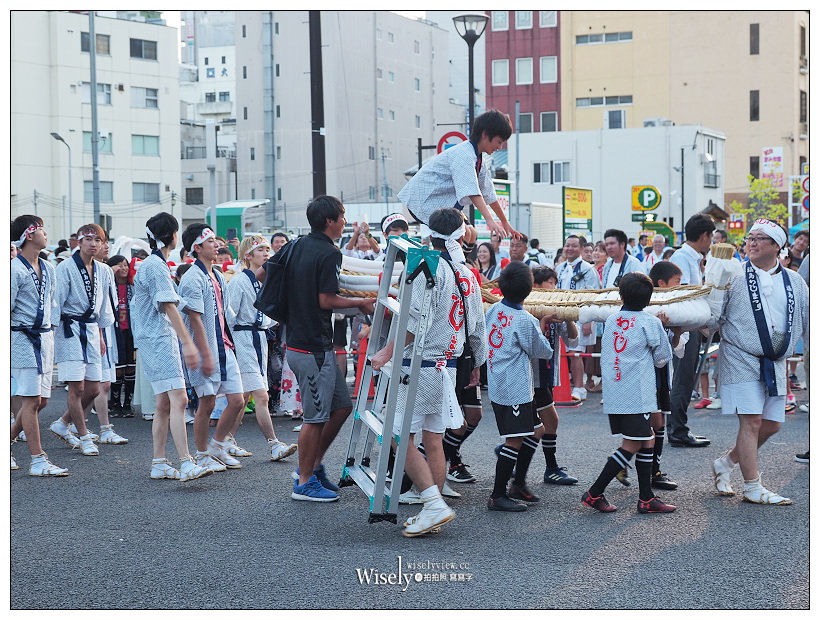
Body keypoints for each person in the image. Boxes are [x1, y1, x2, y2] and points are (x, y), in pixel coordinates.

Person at [372, 207, 486, 535]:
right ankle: (432, 510)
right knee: (433, 440)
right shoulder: (466, 274)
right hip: (448, 366)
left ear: (427, 233)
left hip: (420, 365)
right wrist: (477, 365)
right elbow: (476, 326)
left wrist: (385, 352)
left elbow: (414, 321)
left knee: (398, 435)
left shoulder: (426, 265)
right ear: (462, 236)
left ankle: (433, 504)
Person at [711, 219, 809, 504]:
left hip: (776, 359)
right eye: (749, 238)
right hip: (739, 354)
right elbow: (711, 315)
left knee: (772, 425)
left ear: (777, 246)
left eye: (759, 238)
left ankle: (726, 463)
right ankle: (753, 486)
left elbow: (807, 320)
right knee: (752, 421)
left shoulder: (795, 280)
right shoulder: (734, 275)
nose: (751, 243)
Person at [285, 196, 375, 502]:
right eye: (342, 217)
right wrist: (361, 302)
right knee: (314, 418)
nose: (345, 222)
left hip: (309, 342)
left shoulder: (296, 245)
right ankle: (304, 480)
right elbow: (327, 301)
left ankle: (312, 466)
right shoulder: (327, 253)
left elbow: (265, 273)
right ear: (329, 222)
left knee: (341, 407)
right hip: (309, 347)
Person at [582, 272, 675, 514]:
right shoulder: (650, 322)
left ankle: (646, 498)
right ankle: (595, 492)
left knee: (647, 440)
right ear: (649, 298)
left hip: (615, 390)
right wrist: (665, 330)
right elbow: (663, 359)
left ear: (621, 294)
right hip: (637, 392)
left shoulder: (611, 320)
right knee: (632, 444)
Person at [127, 213, 211, 481]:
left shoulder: (155, 264)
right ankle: (185, 462)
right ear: (173, 235)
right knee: (179, 399)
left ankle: (160, 462)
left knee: (164, 402)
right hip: (158, 339)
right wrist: (188, 341)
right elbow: (168, 304)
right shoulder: (156, 265)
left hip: (156, 338)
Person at [484, 262, 554, 511]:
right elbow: (542, 351)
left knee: (536, 430)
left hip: (499, 380)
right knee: (514, 440)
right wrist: (543, 326)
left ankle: (518, 483)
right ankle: (497, 495)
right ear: (528, 292)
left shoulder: (493, 310)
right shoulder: (524, 319)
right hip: (513, 386)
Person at [178, 222, 247, 474]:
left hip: (224, 345)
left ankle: (217, 445)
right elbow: (195, 317)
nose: (216, 245)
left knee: (238, 400)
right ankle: (202, 453)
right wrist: (204, 353)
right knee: (206, 402)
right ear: (196, 248)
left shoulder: (217, 274)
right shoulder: (192, 277)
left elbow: (225, 313)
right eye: (209, 242)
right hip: (204, 347)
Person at [397, 109, 519, 248]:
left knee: (471, 233)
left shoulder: (478, 158)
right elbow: (472, 191)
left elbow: (489, 193)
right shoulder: (464, 154)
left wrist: (504, 222)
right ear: (485, 135)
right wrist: (489, 220)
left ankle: (459, 265)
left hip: (439, 204)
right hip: (424, 202)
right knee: (462, 234)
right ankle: (451, 265)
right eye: (499, 141)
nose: (499, 147)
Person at [226, 234, 298, 461]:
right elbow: (229, 315)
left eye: (267, 250)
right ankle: (273, 443)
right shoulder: (238, 281)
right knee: (261, 396)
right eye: (260, 250)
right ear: (248, 256)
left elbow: (269, 314)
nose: (266, 254)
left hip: (259, 339)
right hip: (244, 338)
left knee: (245, 395)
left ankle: (226, 439)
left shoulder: (263, 281)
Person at [49, 224, 114, 457]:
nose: (93, 244)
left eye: (98, 240)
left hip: (92, 329)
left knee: (95, 387)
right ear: (78, 241)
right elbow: (56, 303)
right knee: (76, 386)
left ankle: (63, 423)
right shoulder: (65, 268)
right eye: (88, 239)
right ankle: (84, 435)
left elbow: (105, 306)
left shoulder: (104, 270)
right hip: (70, 328)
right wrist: (52, 334)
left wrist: (103, 335)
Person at [10, 215, 67, 476]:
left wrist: (51, 333)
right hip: (22, 338)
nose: (46, 233)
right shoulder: (13, 269)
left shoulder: (49, 267)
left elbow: (53, 305)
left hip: (45, 338)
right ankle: (38, 459)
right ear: (29, 235)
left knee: (42, 400)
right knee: (31, 401)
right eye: (41, 229)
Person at [667, 213, 715, 447]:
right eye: (711, 236)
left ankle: (678, 428)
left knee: (685, 379)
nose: (712, 241)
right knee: (683, 379)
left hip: (691, 325)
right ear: (705, 235)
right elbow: (683, 295)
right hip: (685, 328)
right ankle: (677, 430)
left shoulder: (692, 257)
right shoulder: (682, 257)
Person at [531, 267, 580, 485]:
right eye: (551, 283)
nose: (555, 287)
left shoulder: (554, 308)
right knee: (546, 422)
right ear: (537, 286)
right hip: (532, 376)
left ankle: (513, 456)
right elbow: (531, 343)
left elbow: (572, 341)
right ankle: (548, 468)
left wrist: (568, 316)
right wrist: (543, 322)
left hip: (548, 375)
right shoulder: (528, 310)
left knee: (541, 424)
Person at [556, 235, 601, 400]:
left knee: (576, 352)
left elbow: (592, 295)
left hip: (580, 316)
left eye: (574, 246)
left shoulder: (588, 270)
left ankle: (579, 387)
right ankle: (563, 385)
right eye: (567, 245)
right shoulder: (560, 268)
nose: (569, 249)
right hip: (561, 315)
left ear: (582, 249)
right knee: (563, 352)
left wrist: (588, 320)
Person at [106, 254, 136, 418]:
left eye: (125, 265)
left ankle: (128, 404)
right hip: (115, 330)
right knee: (118, 368)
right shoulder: (110, 286)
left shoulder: (134, 286)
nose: (123, 268)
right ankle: (115, 403)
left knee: (131, 366)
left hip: (132, 331)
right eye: (119, 265)